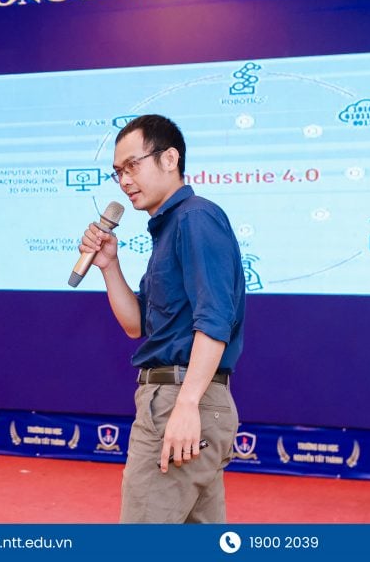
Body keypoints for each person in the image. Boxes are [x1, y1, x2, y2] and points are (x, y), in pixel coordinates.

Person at [78, 114, 245, 523]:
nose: (124, 180)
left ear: (169, 159)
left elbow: (214, 320)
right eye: (118, 171)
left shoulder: (194, 217)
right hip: (183, 399)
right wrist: (108, 265)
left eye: (132, 166)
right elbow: (137, 325)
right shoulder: (170, 227)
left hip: (181, 398)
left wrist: (186, 404)